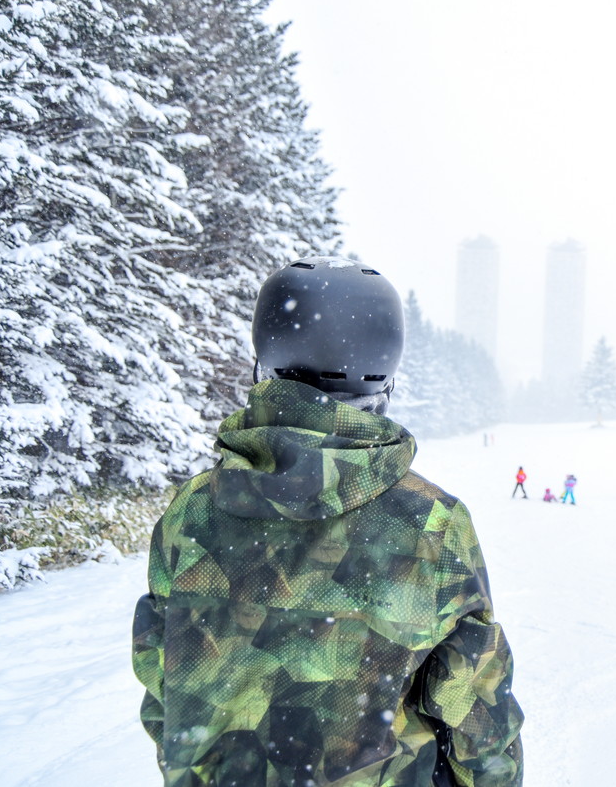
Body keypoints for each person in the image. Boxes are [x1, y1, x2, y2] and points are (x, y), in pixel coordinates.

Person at [131, 257, 523, 787]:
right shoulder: (432, 521)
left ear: (264, 362)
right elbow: (475, 705)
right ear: (384, 376)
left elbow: (163, 682)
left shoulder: (194, 508)